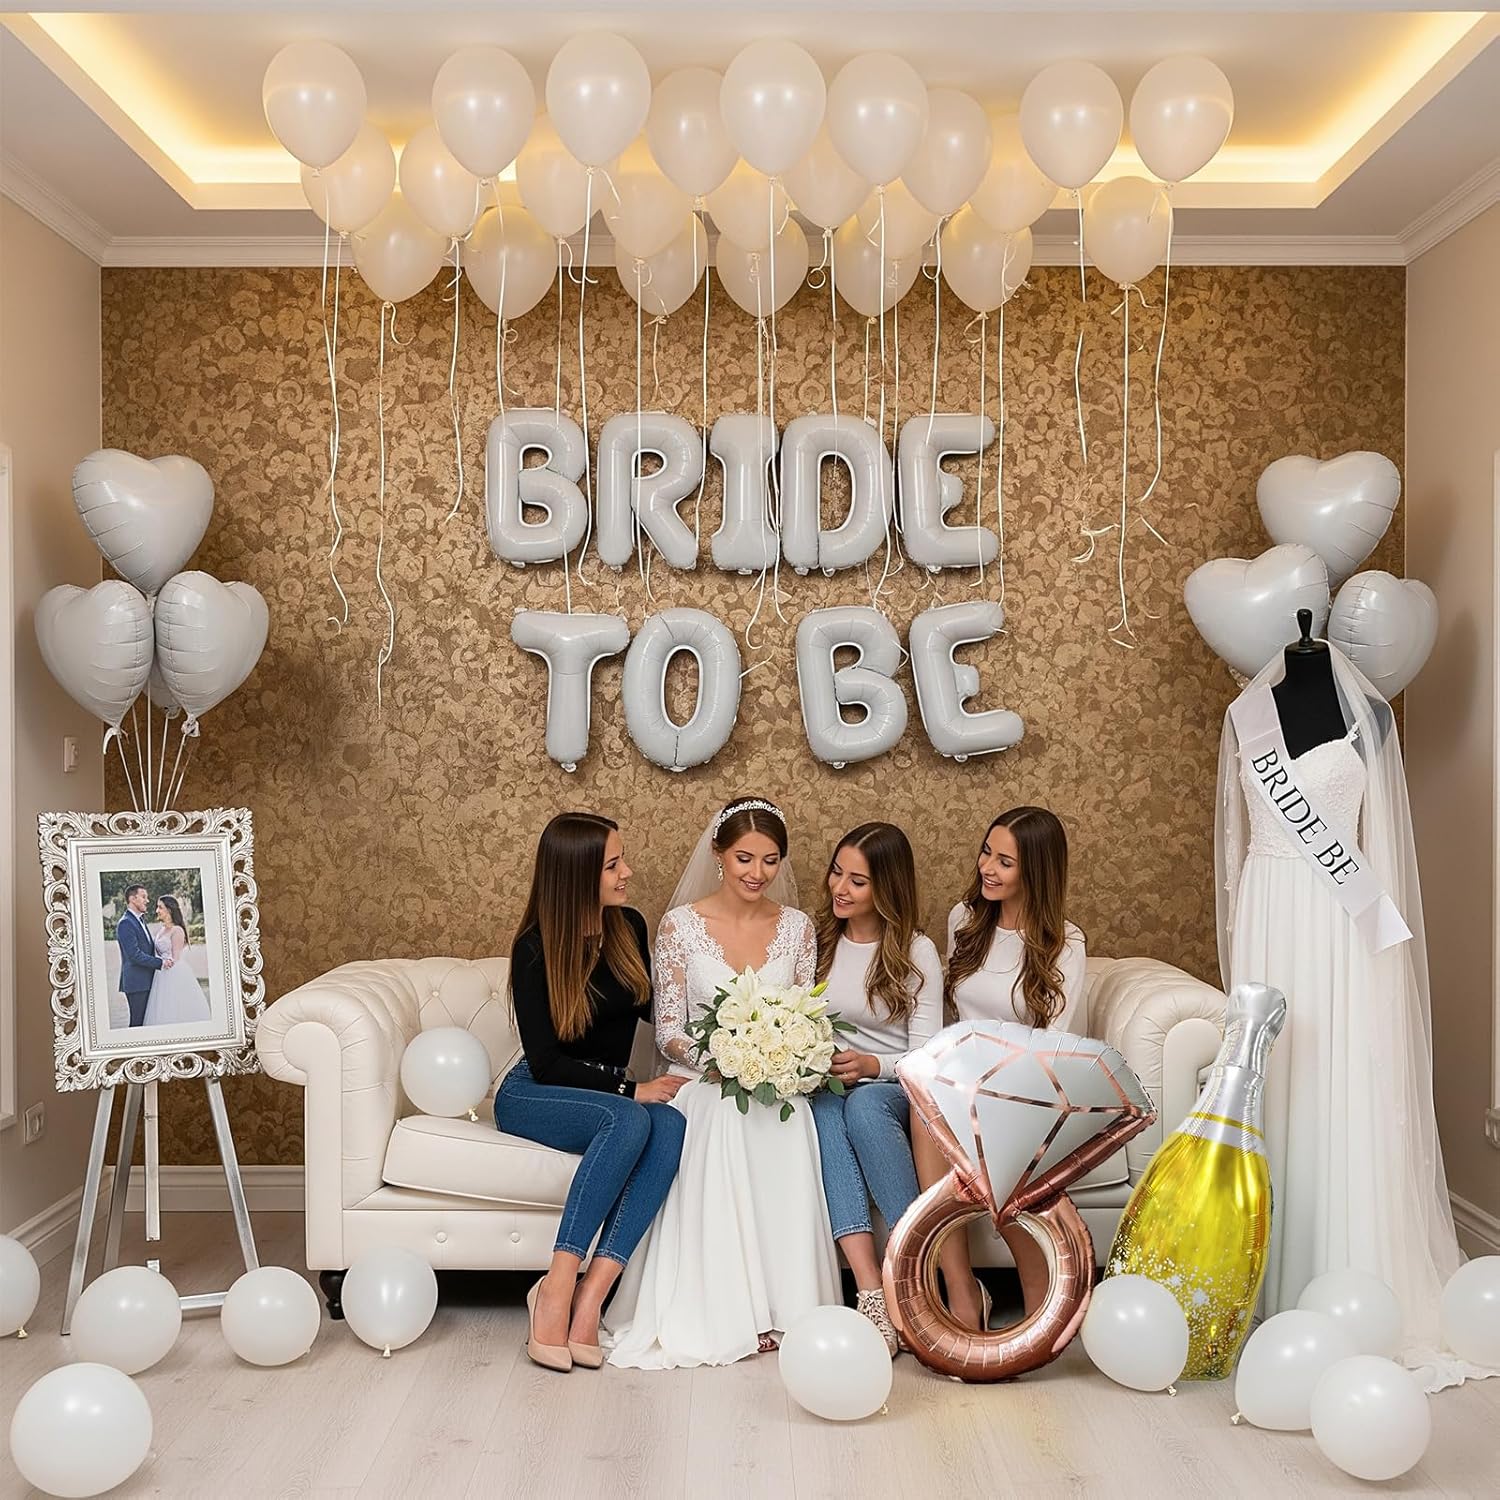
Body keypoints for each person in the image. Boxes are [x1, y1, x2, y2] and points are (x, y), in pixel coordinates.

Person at [1218, 635, 1492, 1391]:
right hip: (1270, 912)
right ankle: (1269, 1278)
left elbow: (1384, 848)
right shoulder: (1247, 717)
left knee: (1341, 1082)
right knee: (1277, 1085)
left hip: (1341, 924)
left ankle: (1353, 1273)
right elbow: (1237, 845)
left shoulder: (1372, 718)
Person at [604, 797, 841, 1368]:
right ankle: (732, 1309)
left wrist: (782, 1055)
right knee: (725, 1112)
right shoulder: (680, 927)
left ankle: (785, 1308)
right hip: (703, 1076)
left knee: (786, 1118)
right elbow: (669, 1033)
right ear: (718, 853)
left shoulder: (798, 928)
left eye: (770, 860)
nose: (758, 873)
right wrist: (726, 1058)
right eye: (744, 858)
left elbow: (809, 1016)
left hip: (776, 1081)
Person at [494, 813, 687, 1374]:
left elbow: (657, 1013)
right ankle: (555, 1287)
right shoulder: (534, 949)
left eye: (622, 860)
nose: (627, 873)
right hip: (536, 1091)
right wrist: (631, 1088)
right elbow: (547, 1063)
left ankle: (590, 1301)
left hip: (605, 1094)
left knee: (671, 1124)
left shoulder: (628, 926)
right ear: (577, 874)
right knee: (630, 1117)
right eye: (612, 865)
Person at [914, 806, 1087, 1330]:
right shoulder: (965, 920)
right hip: (957, 1080)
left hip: (1024, 1089)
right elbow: (951, 1017)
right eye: (986, 852)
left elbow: (1053, 1044)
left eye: (1005, 862)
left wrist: (994, 1091)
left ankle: (1041, 1313)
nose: (987, 867)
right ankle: (962, 1295)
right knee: (925, 1109)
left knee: (990, 1148)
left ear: (1036, 871)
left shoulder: (1065, 943)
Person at [807, 822, 943, 1354]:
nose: (839, 888)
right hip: (828, 1085)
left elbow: (927, 1055)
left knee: (863, 1106)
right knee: (823, 1112)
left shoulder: (915, 951)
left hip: (893, 1087)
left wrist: (872, 1065)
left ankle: (913, 1272)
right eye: (836, 872)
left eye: (857, 881)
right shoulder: (820, 941)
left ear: (886, 887)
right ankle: (871, 1292)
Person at [141, 895, 210, 1026]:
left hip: (173, 972)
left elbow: (176, 958)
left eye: (160, 907)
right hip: (161, 971)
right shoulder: (162, 929)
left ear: (169, 910)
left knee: (173, 1004)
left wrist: (164, 963)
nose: (157, 911)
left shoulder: (177, 930)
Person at [116, 883, 171, 1028]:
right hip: (137, 983)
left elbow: (147, 948)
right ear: (133, 899)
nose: (147, 900)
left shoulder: (139, 920)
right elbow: (134, 955)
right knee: (137, 1024)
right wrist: (160, 963)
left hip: (147, 980)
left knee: (146, 1023)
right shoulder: (126, 923)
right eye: (143, 897)